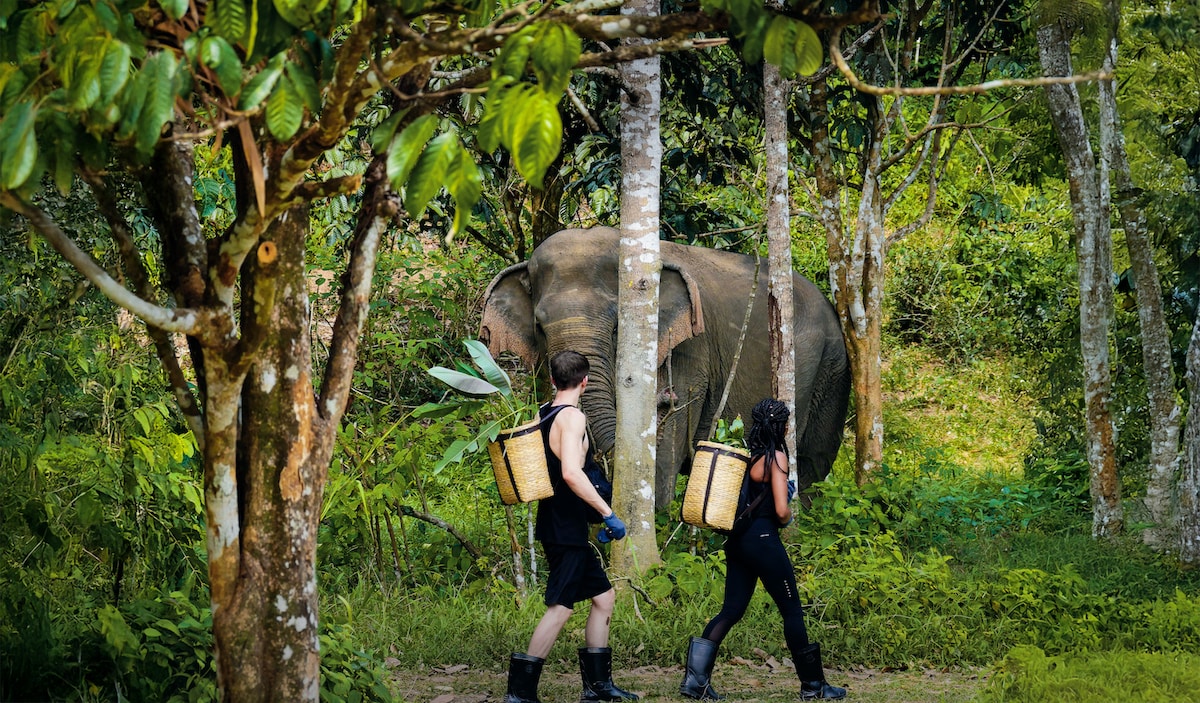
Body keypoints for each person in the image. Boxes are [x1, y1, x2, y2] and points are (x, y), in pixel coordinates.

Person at [680, 398, 847, 701]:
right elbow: (782, 511)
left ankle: (695, 682)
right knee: (792, 612)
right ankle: (813, 686)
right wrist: (789, 515)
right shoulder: (776, 458)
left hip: (739, 542)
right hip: (764, 542)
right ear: (783, 426)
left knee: (730, 610)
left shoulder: (747, 458)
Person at [504, 350, 639, 703]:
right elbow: (570, 473)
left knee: (604, 597)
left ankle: (597, 688)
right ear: (585, 381)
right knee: (561, 607)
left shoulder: (543, 413)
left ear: (552, 380)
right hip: (564, 526)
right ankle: (520, 692)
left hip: (560, 522)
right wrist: (607, 512)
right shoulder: (572, 418)